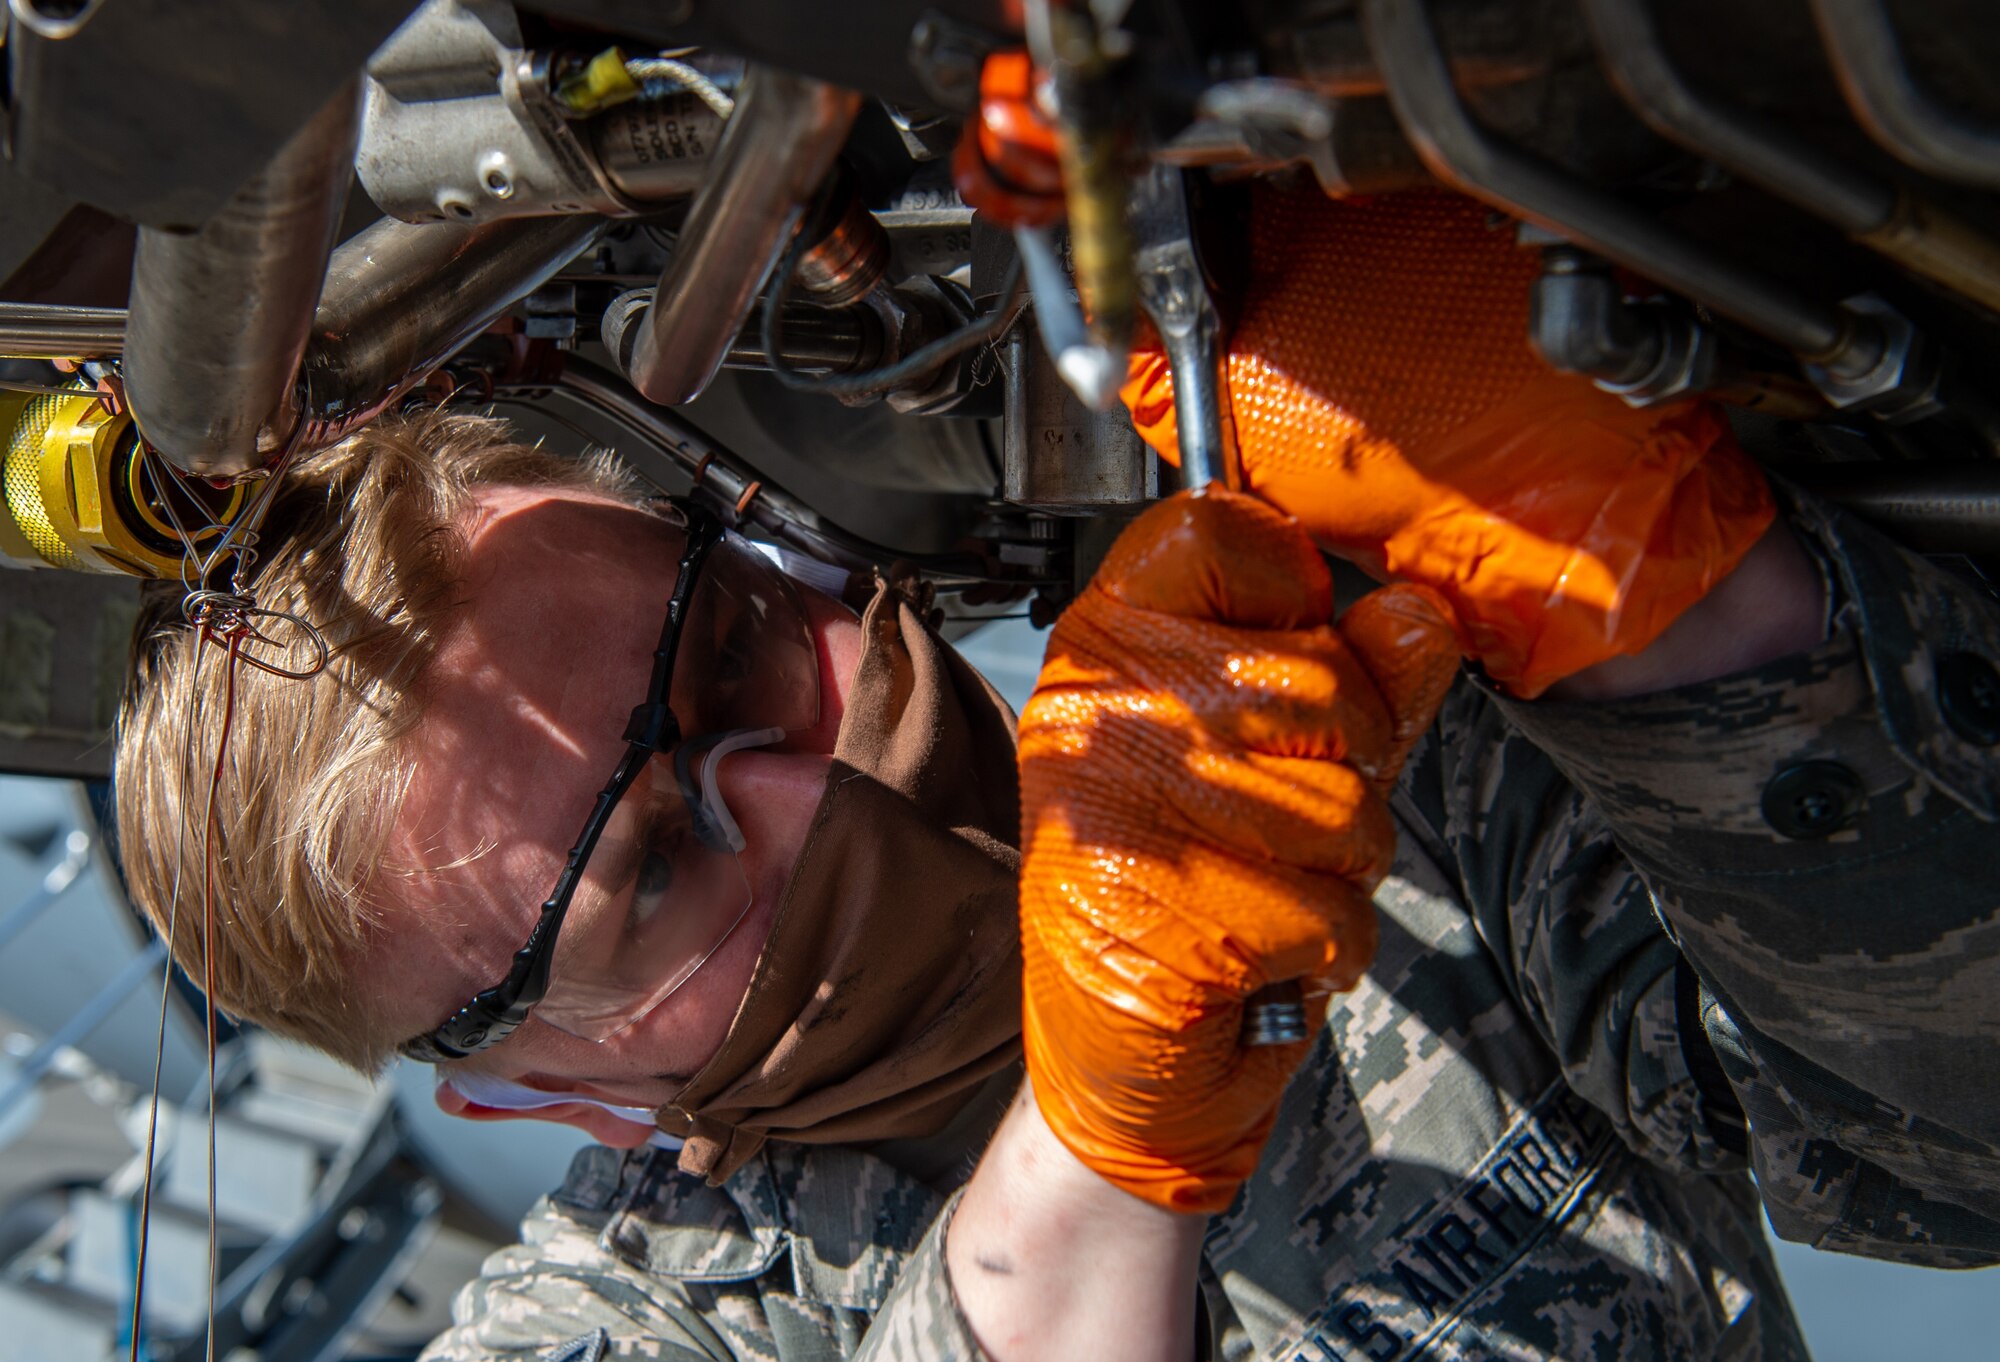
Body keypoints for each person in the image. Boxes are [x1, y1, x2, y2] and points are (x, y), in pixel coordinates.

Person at [112, 189, 2000, 1362]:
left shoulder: (1309, 749)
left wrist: (1676, 608)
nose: (804, 780)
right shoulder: (646, 1327)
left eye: (730, 656)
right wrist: (1103, 1165)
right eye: (660, 861)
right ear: (547, 1100)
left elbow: (1940, 1148)